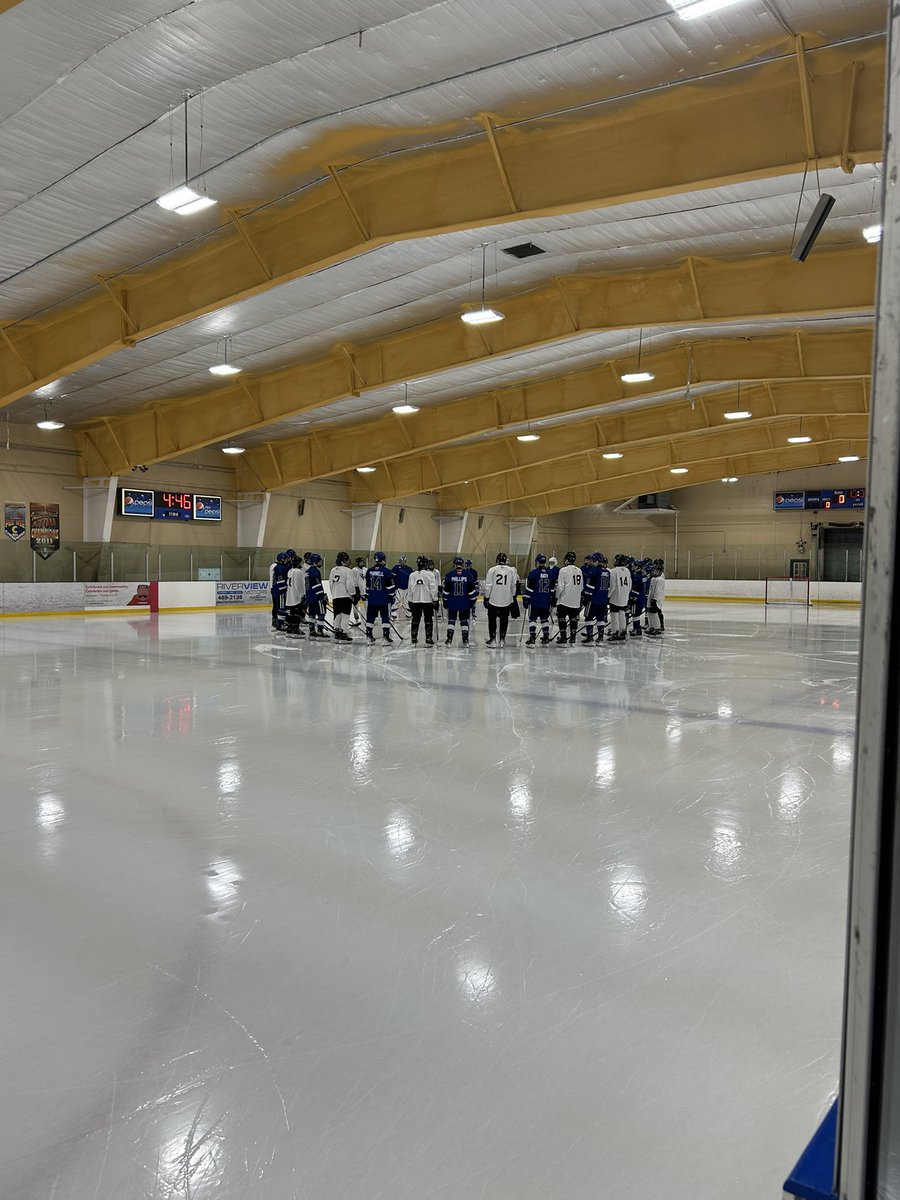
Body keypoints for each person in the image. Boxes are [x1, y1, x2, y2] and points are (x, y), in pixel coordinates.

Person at [483, 552, 518, 648]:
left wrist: (486, 597)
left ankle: (493, 639)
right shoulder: (511, 570)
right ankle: (502, 639)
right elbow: (513, 585)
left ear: (497, 560)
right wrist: (512, 596)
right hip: (506, 600)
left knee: (492, 619)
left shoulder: (492, 570)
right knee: (504, 619)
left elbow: (488, 586)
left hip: (494, 599)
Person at [442, 556, 478, 645]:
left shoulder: (449, 575)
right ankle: (465, 639)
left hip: (452, 602)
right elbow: (471, 592)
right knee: (464, 620)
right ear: (462, 564)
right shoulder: (468, 575)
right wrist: (472, 601)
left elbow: (446, 591)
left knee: (451, 620)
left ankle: (449, 639)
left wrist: (445, 601)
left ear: (454, 564)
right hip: (464, 602)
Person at [363, 551, 396, 644]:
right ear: (383, 560)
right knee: (385, 618)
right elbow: (391, 588)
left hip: (372, 600)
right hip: (383, 600)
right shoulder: (387, 572)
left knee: (370, 618)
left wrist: (369, 596)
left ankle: (369, 636)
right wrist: (392, 597)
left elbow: (367, 588)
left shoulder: (369, 571)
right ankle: (385, 637)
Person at [523, 554, 554, 645]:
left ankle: (532, 638)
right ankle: (546, 637)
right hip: (546, 601)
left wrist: (526, 598)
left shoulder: (533, 573)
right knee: (544, 619)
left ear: (537, 562)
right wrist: (551, 599)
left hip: (535, 601)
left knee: (532, 619)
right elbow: (552, 589)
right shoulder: (550, 573)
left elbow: (530, 588)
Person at [407, 556, 439, 646]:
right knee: (428, 620)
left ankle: (414, 638)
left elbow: (410, 589)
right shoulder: (430, 574)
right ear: (426, 564)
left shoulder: (412, 575)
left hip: (415, 601)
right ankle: (428, 639)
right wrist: (435, 600)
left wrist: (410, 600)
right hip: (427, 601)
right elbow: (433, 588)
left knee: (415, 620)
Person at [554, 551, 583, 645]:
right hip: (575, 601)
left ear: (566, 560)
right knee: (573, 618)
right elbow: (581, 587)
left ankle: (563, 638)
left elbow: (560, 586)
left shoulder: (563, 570)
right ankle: (573, 638)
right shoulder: (579, 570)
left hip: (564, 600)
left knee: (561, 617)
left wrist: (556, 597)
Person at [582, 553, 610, 643]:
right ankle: (600, 637)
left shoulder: (594, 571)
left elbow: (590, 586)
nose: (591, 562)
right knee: (600, 618)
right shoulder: (607, 572)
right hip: (603, 600)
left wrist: (585, 597)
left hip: (593, 600)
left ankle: (589, 637)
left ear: (596, 561)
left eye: (593, 561)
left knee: (588, 618)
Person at [329, 552, 357, 642]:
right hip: (345, 596)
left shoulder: (333, 570)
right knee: (345, 616)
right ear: (342, 561)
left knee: (337, 615)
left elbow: (331, 583)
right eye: (346, 560)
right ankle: (344, 633)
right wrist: (352, 594)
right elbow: (350, 584)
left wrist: (333, 593)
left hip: (336, 596)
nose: (348, 561)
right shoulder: (348, 571)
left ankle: (337, 633)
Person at [607, 554, 632, 643]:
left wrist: (608, 595)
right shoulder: (627, 571)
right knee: (622, 615)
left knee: (614, 616)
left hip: (615, 597)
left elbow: (612, 586)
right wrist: (626, 594)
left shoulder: (613, 571)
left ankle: (614, 633)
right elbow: (629, 585)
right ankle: (623, 632)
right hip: (624, 597)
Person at [305, 553, 328, 638]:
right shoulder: (315, 571)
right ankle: (320, 631)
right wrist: (322, 596)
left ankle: (311, 629)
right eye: (318, 561)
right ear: (314, 562)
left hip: (310, 597)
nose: (320, 563)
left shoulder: (307, 571)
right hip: (317, 597)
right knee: (321, 613)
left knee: (312, 614)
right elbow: (317, 585)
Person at [285, 552, 307, 638]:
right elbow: (299, 585)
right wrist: (302, 595)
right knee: (297, 613)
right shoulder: (298, 572)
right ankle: (295, 628)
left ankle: (290, 628)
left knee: (291, 613)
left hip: (290, 595)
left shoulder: (290, 571)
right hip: (296, 596)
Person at [270, 551, 290, 632]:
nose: (287, 560)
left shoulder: (278, 567)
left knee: (279, 607)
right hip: (280, 591)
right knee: (281, 607)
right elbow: (280, 581)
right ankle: (280, 624)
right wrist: (285, 589)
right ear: (282, 559)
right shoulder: (280, 568)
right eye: (285, 559)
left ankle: (280, 622)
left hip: (277, 590)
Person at [629, 558, 649, 637]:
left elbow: (636, 588)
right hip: (641, 599)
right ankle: (637, 629)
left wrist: (632, 598)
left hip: (637, 599)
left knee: (635, 614)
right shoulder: (643, 576)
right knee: (636, 614)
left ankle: (636, 629)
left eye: (634, 566)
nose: (632, 567)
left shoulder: (637, 576)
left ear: (637, 567)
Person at [647, 560, 666, 635]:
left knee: (654, 614)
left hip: (656, 600)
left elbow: (658, 591)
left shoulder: (660, 580)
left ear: (660, 572)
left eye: (656, 571)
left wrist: (655, 600)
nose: (654, 572)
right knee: (650, 613)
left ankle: (657, 627)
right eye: (653, 571)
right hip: (651, 598)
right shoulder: (653, 579)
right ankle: (651, 626)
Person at [350, 557, 367, 627]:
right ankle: (356, 619)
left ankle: (366, 619)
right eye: (361, 562)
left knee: (366, 606)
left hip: (365, 591)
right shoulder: (354, 570)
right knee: (355, 606)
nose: (362, 563)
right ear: (357, 562)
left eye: (363, 561)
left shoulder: (366, 569)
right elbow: (353, 581)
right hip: (357, 591)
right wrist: (356, 590)